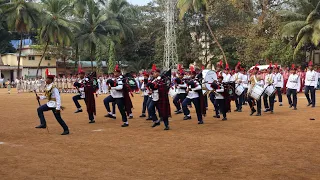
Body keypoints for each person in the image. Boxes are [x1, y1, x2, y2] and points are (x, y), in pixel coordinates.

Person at [147, 65, 171, 130]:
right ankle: (156, 121)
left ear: (158, 73)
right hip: (154, 97)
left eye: (154, 72)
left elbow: (163, 88)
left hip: (160, 97)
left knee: (163, 111)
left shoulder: (162, 79)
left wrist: (154, 88)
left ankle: (166, 125)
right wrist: (151, 89)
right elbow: (153, 87)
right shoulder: (153, 80)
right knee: (149, 108)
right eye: (153, 73)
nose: (153, 74)